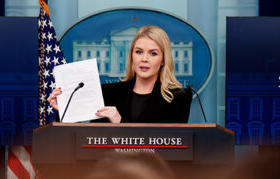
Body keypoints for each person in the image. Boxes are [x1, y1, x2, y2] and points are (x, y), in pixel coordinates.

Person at [48, 25, 192, 123]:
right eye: (139, 52)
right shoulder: (107, 93)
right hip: (106, 167)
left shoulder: (179, 97)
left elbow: (172, 145)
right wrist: (65, 111)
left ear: (163, 60)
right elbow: (89, 139)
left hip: (155, 168)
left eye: (153, 53)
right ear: (131, 56)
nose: (144, 59)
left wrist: (120, 122)